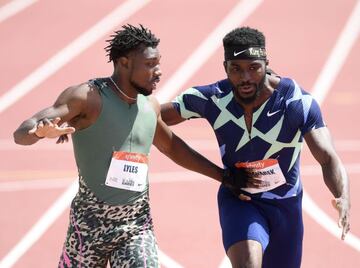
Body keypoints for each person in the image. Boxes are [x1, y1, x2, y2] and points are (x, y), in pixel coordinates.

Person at [13, 24, 253, 268]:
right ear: (124, 62)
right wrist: (38, 131)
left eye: (159, 63)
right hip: (87, 226)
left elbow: (172, 147)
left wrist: (223, 176)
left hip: (135, 225)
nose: (158, 71)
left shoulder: (149, 106)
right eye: (150, 64)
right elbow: (21, 133)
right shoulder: (88, 98)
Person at [161, 26, 351, 268]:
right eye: (236, 69)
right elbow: (151, 118)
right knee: (249, 262)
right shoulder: (213, 99)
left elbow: (327, 156)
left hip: (285, 205)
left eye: (254, 68)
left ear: (266, 63)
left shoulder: (296, 103)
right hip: (240, 200)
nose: (246, 78)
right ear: (225, 68)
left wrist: (342, 195)